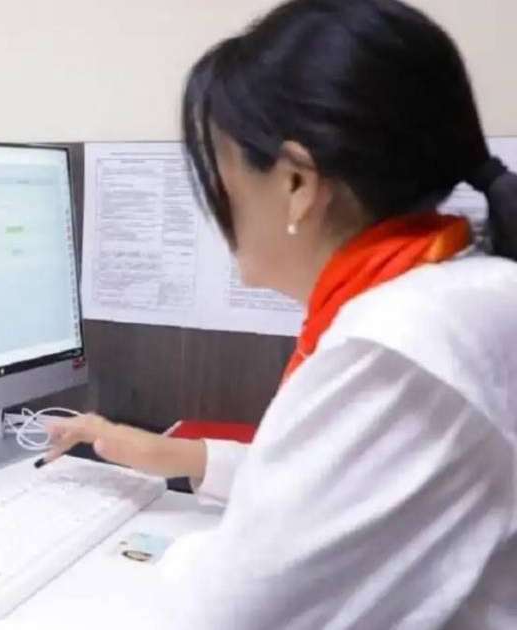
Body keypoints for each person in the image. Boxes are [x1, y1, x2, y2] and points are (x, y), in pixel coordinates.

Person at [44, 1, 517, 627]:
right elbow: (346, 497)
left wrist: (166, 556)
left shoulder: (400, 350)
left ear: (296, 182)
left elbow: (233, 614)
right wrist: (182, 458)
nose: (218, 201)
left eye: (223, 172)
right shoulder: (450, 293)